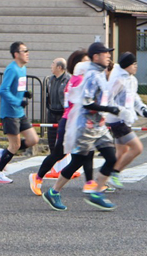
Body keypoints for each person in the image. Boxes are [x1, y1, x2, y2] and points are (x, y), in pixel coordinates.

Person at [42, 41, 121, 211]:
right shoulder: (92, 75)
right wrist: (109, 108)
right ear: (96, 56)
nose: (108, 56)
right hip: (85, 126)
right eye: (105, 53)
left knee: (112, 157)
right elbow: (87, 103)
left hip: (98, 125)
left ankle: (97, 192)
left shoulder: (100, 73)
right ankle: (54, 191)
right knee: (77, 161)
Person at [28, 49, 96, 195]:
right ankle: (39, 178)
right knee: (61, 154)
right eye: (85, 61)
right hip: (70, 122)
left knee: (85, 152)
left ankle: (90, 183)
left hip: (73, 122)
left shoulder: (75, 79)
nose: (88, 64)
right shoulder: (77, 80)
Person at [0, 41, 39, 183]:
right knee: (15, 145)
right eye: (25, 51)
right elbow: (3, 90)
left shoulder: (22, 68)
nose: (27, 53)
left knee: (33, 140)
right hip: (10, 113)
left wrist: (25, 93)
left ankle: (3, 153)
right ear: (16, 54)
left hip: (19, 112)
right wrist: (18, 101)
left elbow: (16, 87)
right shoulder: (12, 69)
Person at [105, 52, 147, 188]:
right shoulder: (118, 79)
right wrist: (120, 111)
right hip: (117, 120)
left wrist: (142, 108)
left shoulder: (132, 79)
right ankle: (115, 173)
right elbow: (108, 99)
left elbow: (134, 97)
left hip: (126, 119)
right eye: (133, 64)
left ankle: (104, 178)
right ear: (126, 65)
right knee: (137, 148)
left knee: (121, 152)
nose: (136, 67)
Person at [45, 57, 69, 153]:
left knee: (62, 139)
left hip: (62, 113)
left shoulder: (67, 80)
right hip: (52, 112)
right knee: (51, 138)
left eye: (53, 64)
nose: (51, 66)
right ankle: (52, 156)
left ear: (59, 67)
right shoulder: (51, 79)